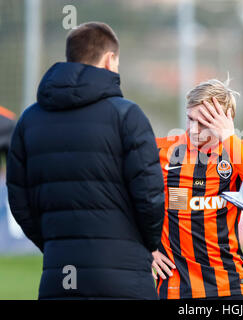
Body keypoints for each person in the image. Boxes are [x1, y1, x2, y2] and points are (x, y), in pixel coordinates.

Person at [6, 22, 165, 299]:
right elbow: (150, 194)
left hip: (59, 274)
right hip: (123, 276)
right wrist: (148, 243)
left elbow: (19, 200)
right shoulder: (127, 115)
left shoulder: (29, 120)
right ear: (109, 59)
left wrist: (55, 245)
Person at [152, 79, 243, 299]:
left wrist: (229, 137)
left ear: (224, 122)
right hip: (175, 285)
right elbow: (121, 196)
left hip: (229, 284)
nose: (193, 130)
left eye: (203, 123)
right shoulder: (160, 150)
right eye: (190, 119)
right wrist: (146, 246)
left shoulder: (242, 153)